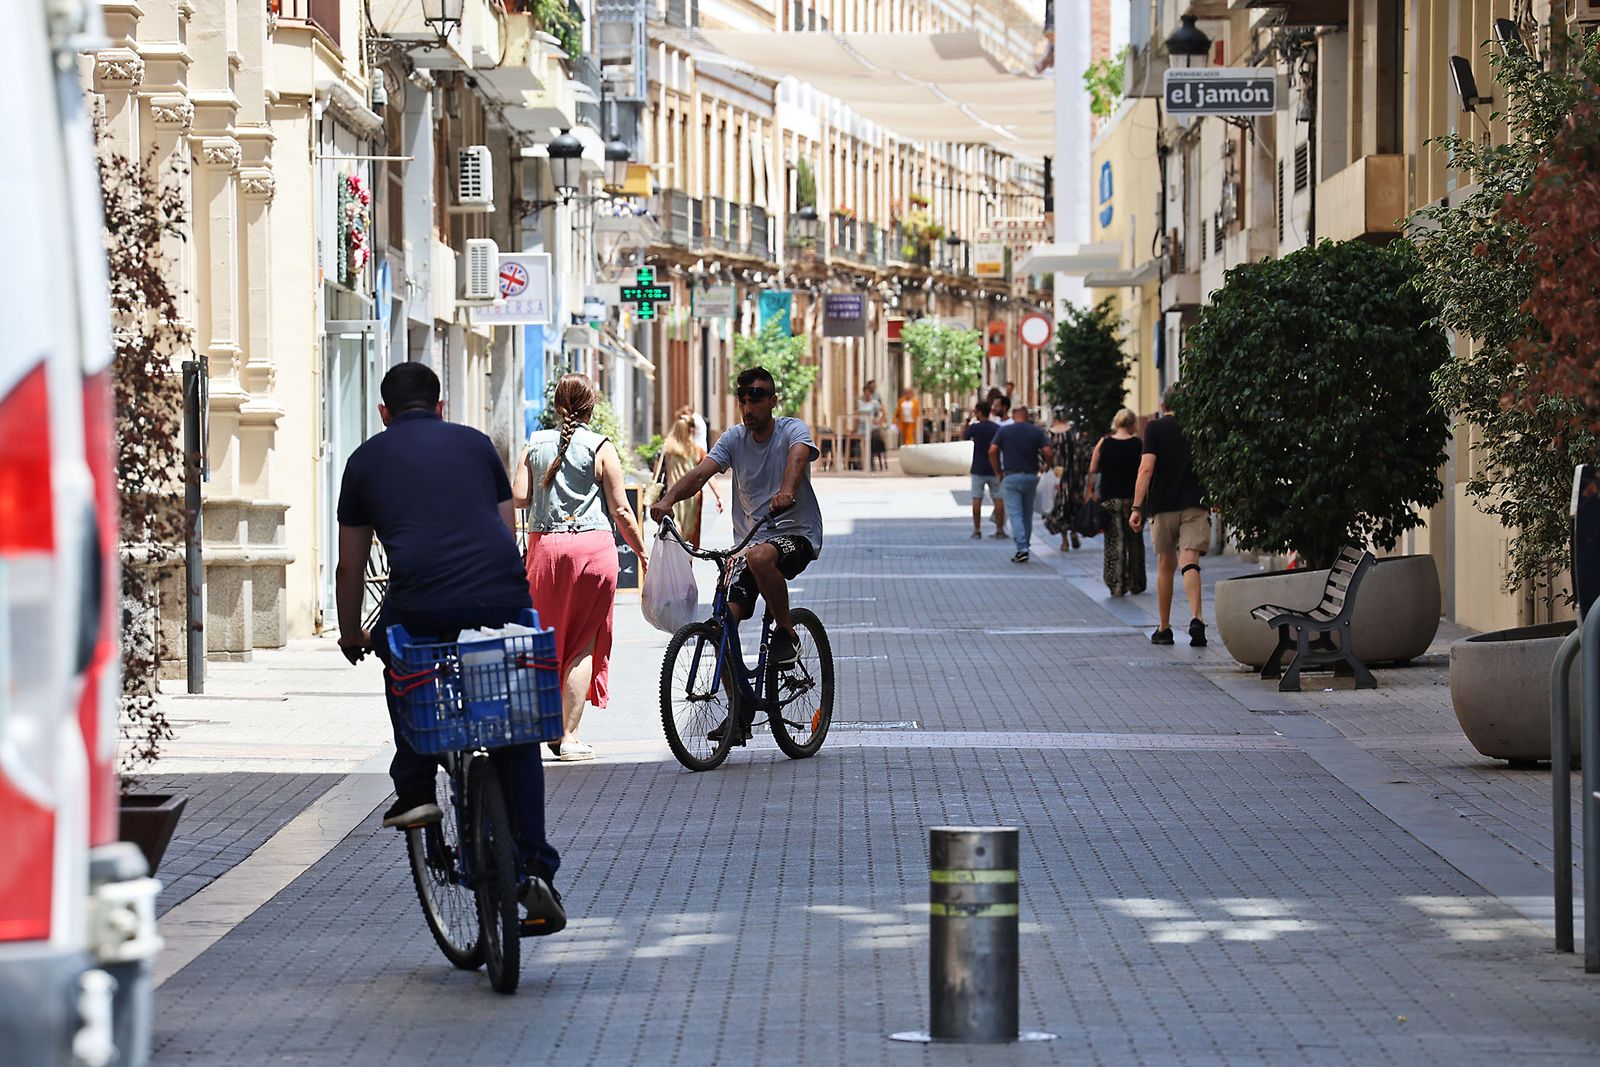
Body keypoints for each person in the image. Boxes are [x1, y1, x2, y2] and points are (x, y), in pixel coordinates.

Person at [335, 362, 565, 931]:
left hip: (422, 603)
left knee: (402, 660)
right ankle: (534, 866)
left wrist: (349, 633)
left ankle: (415, 787)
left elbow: (350, 565)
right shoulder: (478, 444)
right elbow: (506, 529)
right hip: (502, 596)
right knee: (516, 730)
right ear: (441, 406)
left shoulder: (364, 460)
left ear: (383, 413)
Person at [649, 366, 824, 739]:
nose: (749, 405)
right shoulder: (733, 440)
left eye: (757, 397)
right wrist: (668, 499)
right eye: (743, 398)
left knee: (763, 557)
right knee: (720, 623)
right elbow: (700, 474)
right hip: (749, 543)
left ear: (773, 401)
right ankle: (739, 712)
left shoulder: (792, 430)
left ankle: (787, 634)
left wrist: (788, 491)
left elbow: (797, 459)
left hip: (796, 533)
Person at [512, 373, 649, 762]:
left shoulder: (534, 445)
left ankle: (547, 726)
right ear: (592, 406)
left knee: (546, 639)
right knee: (583, 642)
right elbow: (622, 510)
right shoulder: (601, 447)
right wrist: (642, 552)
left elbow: (519, 497)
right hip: (592, 551)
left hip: (545, 549)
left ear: (557, 406)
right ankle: (569, 737)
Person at [1129, 384, 1210, 646]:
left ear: (1164, 407)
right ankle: (1197, 618)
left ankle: (1164, 628)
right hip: (1195, 503)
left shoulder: (1155, 428)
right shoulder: (1199, 428)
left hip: (1162, 506)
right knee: (1190, 561)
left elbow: (1146, 468)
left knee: (1166, 565)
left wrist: (1137, 507)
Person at [1088, 408, 1147, 597]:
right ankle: (1137, 583)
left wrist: (1091, 491)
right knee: (1135, 541)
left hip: (1110, 498)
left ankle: (1116, 584)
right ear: (1132, 424)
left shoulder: (1104, 443)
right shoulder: (1138, 444)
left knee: (1114, 541)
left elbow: (1093, 468)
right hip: (1133, 499)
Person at [988, 403, 1054, 563]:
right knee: (1027, 513)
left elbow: (992, 450)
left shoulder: (1004, 431)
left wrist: (997, 472)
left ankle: (1022, 548)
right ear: (1027, 415)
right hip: (1031, 477)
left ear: (1013, 415)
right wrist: (1047, 465)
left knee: (1015, 513)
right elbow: (1048, 451)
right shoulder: (1036, 431)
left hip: (1010, 476)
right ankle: (1025, 545)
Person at [656, 412, 723, 550]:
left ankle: (675, 568)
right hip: (692, 499)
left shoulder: (667, 450)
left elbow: (656, 475)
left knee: (674, 537)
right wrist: (719, 496)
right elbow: (706, 475)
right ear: (691, 430)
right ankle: (687, 567)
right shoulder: (697, 451)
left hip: (672, 497)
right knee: (689, 541)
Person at [962, 398, 1005, 540]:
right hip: (994, 467)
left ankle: (977, 530)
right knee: (998, 499)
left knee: (977, 499)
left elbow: (964, 436)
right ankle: (999, 529)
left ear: (979, 412)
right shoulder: (997, 428)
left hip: (978, 468)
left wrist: (968, 420)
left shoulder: (975, 427)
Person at [1043, 408, 1080, 551]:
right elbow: (1083, 452)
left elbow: (1043, 453)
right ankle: (1075, 532)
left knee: (1060, 507)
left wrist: (1045, 468)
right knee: (1074, 504)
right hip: (1073, 475)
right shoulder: (1074, 433)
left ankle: (1064, 540)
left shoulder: (1049, 435)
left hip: (1056, 477)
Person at [855, 381, 886, 470]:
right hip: (861, 427)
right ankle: (859, 463)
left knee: (872, 439)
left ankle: (870, 462)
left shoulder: (874, 403)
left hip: (871, 426)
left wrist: (879, 421)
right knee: (858, 441)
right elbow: (857, 416)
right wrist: (854, 427)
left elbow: (884, 411)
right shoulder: (860, 402)